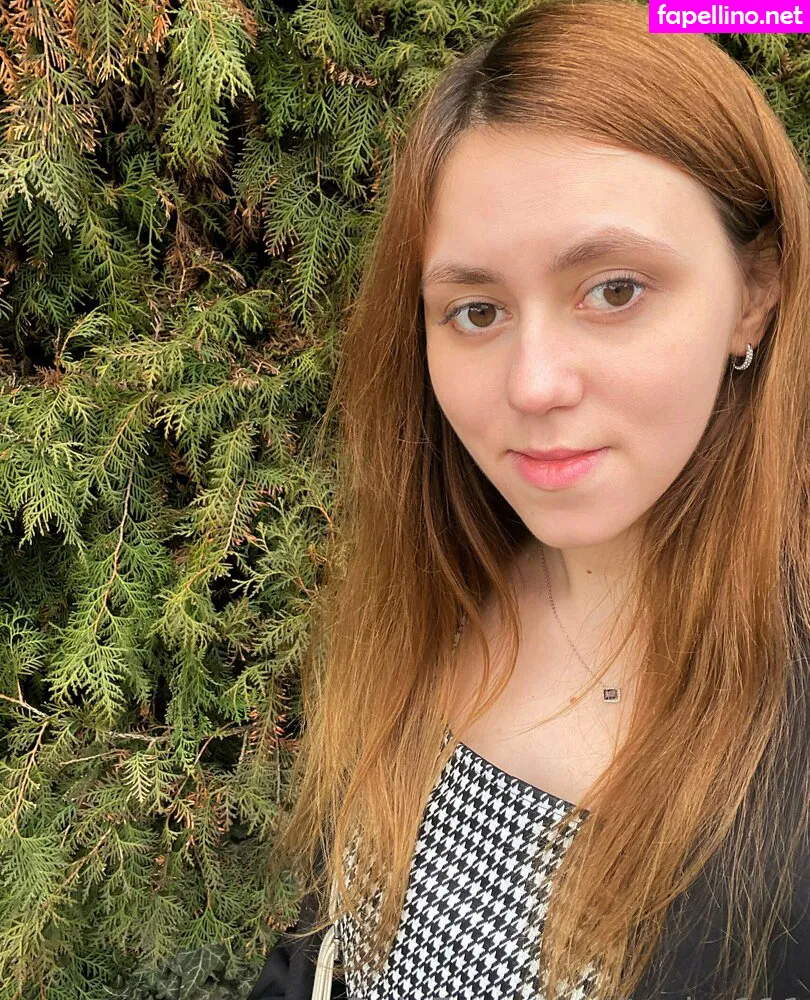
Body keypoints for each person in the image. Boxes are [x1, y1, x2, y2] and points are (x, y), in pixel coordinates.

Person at [246, 1, 810, 997]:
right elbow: (325, 947)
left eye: (615, 290)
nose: (534, 384)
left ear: (754, 293)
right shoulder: (433, 595)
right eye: (477, 310)